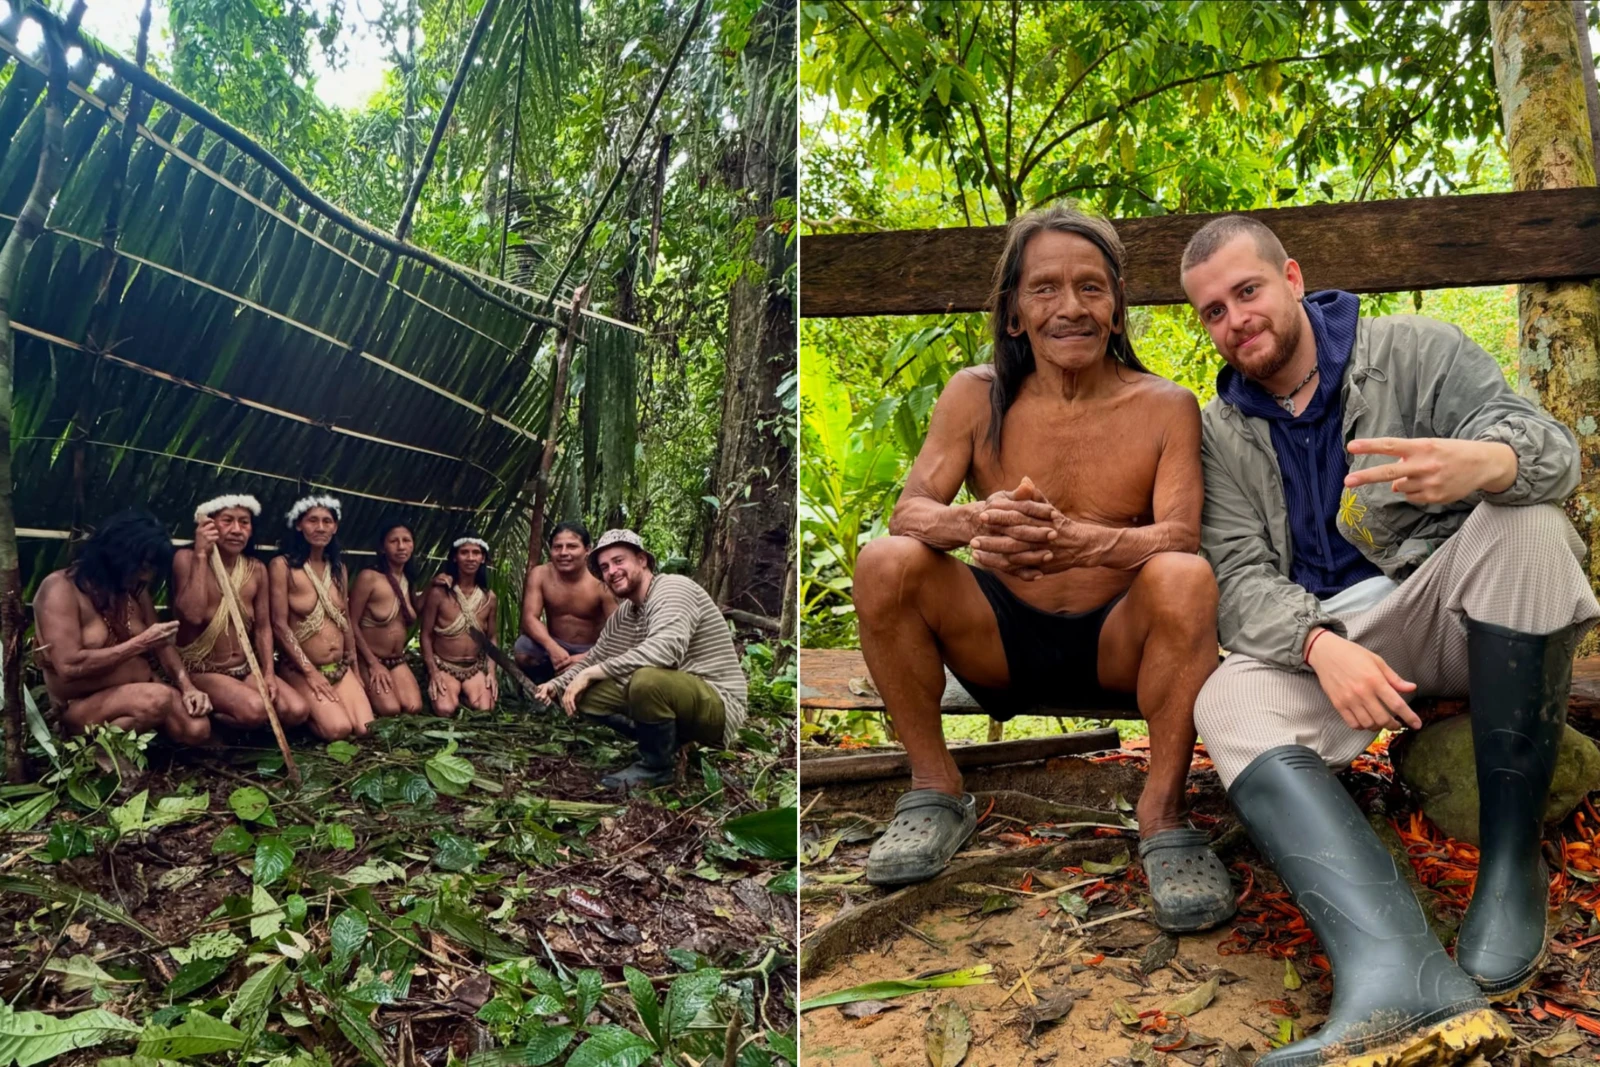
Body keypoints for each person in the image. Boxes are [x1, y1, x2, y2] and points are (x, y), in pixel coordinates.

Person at [1183, 215, 1597, 1066]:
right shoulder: (1220, 433)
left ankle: (1510, 864)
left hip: (1446, 603)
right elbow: (1236, 574)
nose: (1236, 321)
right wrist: (1316, 643)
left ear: (1292, 278)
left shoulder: (1417, 351)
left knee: (1531, 528)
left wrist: (1485, 465)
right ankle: (1396, 974)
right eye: (1213, 312)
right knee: (1225, 697)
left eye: (1247, 292)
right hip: (1335, 640)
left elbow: (1558, 455)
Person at [847, 204, 1231, 931]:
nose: (1070, 307)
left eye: (1091, 288)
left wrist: (1086, 543)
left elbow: (1180, 534)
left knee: (1185, 576)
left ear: (1117, 310)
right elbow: (911, 510)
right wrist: (971, 521)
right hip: (997, 640)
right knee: (886, 560)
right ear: (1016, 312)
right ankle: (934, 786)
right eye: (1045, 289)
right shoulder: (974, 393)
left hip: (1117, 644)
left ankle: (1163, 812)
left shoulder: (1166, 406)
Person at [535, 529, 747, 790]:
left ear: (642, 560)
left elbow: (665, 650)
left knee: (646, 680)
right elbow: (597, 657)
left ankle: (657, 768)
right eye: (604, 567)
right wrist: (557, 684)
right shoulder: (625, 613)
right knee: (584, 695)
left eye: (619, 561)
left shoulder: (672, 589)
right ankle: (665, 743)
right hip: (676, 696)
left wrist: (593, 672)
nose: (612, 571)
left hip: (717, 701)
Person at [33, 509, 213, 746]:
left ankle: (138, 723)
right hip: (80, 705)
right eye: (143, 566)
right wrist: (139, 643)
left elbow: (160, 643)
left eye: (151, 568)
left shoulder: (133, 590)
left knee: (197, 729)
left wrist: (187, 687)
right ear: (117, 555)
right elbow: (68, 666)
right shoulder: (60, 589)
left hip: (139, 690)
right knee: (157, 699)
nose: (147, 576)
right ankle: (98, 751)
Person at [172, 494, 310, 732]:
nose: (237, 529)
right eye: (227, 521)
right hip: (203, 670)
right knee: (257, 709)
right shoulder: (187, 558)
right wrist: (202, 555)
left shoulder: (256, 569)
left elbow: (264, 627)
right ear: (209, 526)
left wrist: (267, 673)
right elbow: (192, 615)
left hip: (246, 669)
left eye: (244, 522)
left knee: (297, 710)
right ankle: (218, 721)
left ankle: (242, 717)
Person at [270, 496, 373, 741]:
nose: (320, 527)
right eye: (312, 521)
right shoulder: (281, 566)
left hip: (339, 667)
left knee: (366, 729)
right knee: (339, 730)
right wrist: (309, 672)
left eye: (327, 521)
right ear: (298, 525)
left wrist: (355, 669)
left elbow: (344, 619)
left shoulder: (338, 568)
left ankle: (330, 707)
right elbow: (278, 624)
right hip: (301, 669)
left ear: (335, 527)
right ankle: (307, 718)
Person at [512, 521, 616, 683]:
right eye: (557, 547)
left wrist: (584, 658)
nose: (563, 553)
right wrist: (552, 647)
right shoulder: (540, 574)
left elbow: (618, 635)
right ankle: (543, 686)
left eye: (572, 547)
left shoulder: (601, 584)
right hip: (555, 644)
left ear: (587, 550)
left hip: (591, 649)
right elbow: (529, 618)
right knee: (523, 649)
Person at [349, 521, 423, 716]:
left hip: (396, 660)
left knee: (413, 707)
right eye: (394, 541)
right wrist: (372, 663)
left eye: (406, 540)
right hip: (370, 659)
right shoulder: (369, 577)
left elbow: (419, 610)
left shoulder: (409, 580)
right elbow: (350, 622)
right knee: (390, 709)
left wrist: (437, 585)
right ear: (382, 547)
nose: (401, 546)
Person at [420, 536, 499, 716]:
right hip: (444, 666)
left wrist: (491, 672)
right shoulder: (439, 593)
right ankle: (453, 692)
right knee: (445, 709)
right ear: (455, 557)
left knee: (485, 709)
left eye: (476, 553)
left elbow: (492, 637)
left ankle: (465, 693)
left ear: (483, 558)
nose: (470, 558)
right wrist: (433, 672)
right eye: (464, 552)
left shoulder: (489, 598)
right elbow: (425, 635)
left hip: (473, 667)